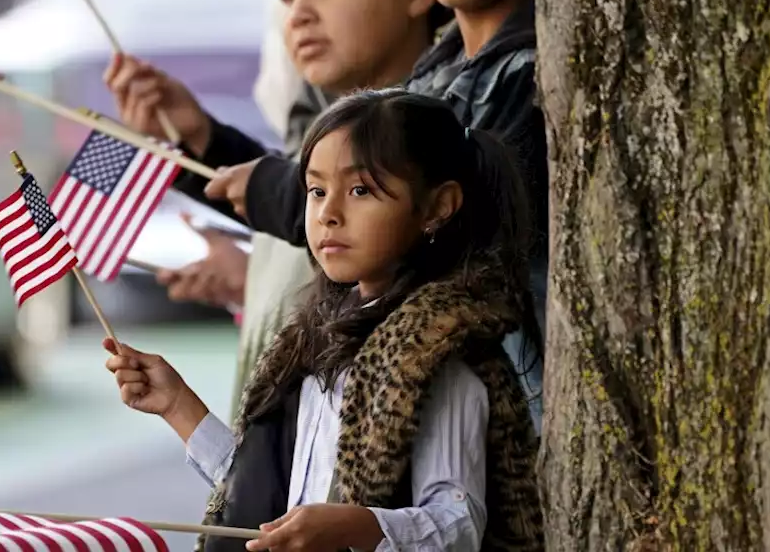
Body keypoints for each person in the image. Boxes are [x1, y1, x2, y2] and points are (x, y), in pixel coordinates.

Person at [104, 91, 545, 552]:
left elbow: (456, 522)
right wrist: (178, 405)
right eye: (316, 190)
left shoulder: (435, 352)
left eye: (360, 190)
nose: (328, 214)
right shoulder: (315, 338)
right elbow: (270, 492)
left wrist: (360, 527)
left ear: (437, 207)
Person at [199, 0, 547, 431]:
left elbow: (437, 216)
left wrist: (275, 192)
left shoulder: (531, 76)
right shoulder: (434, 73)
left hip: (506, 415)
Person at [103, 0, 446, 408]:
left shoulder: (448, 124)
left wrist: (267, 186)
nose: (299, 14)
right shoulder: (318, 117)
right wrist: (198, 137)